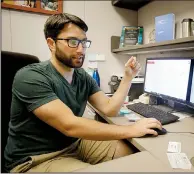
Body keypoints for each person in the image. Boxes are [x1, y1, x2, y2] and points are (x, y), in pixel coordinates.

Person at [4, 13, 162, 172]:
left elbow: (109, 108)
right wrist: (132, 129)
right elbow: (69, 125)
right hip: (37, 159)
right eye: (72, 42)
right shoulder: (30, 76)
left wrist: (128, 77)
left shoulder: (81, 76)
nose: (81, 50)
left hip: (74, 143)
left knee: (135, 156)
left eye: (84, 42)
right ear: (51, 44)